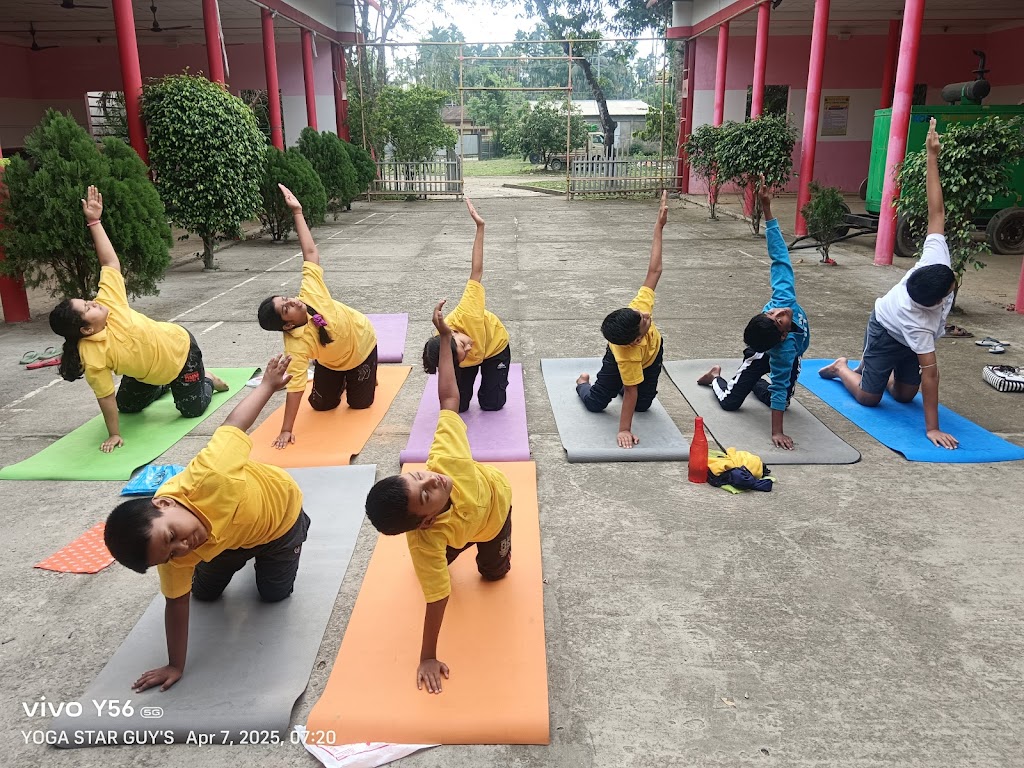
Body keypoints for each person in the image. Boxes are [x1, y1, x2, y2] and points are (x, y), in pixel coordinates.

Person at [103, 353, 310, 692]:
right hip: (228, 542)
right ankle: (234, 557)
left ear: (164, 502)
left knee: (274, 596)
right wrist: (175, 665)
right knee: (202, 594)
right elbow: (176, 602)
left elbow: (233, 424)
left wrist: (270, 385)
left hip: (280, 523)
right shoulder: (173, 553)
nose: (183, 547)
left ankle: (287, 546)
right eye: (170, 554)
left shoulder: (210, 474)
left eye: (172, 535)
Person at [365, 300, 513, 694]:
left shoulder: (445, 457)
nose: (435, 481)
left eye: (420, 477)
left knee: (494, 575)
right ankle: (454, 549)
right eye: (426, 495)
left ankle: (479, 551)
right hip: (453, 534)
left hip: (496, 512)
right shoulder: (425, 539)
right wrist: (427, 655)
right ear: (425, 521)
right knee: (433, 574)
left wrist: (446, 338)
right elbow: (437, 600)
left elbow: (448, 398)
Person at [48, 185, 228, 453]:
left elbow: (109, 263)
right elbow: (106, 395)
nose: (94, 301)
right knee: (127, 407)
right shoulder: (91, 355)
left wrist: (94, 221)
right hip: (147, 374)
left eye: (87, 300)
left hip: (180, 352)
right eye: (88, 307)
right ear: (86, 329)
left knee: (190, 410)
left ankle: (206, 380)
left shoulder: (110, 303)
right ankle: (164, 382)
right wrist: (114, 434)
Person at [818, 118, 959, 450]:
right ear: (937, 302)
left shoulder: (934, 260)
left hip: (908, 342)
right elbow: (932, 375)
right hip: (885, 329)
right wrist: (932, 429)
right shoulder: (919, 322)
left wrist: (931, 156)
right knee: (870, 397)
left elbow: (936, 212)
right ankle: (843, 368)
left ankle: (877, 370)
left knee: (905, 395)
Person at [257, 184, 378, 450]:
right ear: (288, 324)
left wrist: (297, 212)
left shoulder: (309, 291)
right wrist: (286, 429)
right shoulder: (295, 346)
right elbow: (296, 386)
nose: (290, 300)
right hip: (332, 363)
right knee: (321, 406)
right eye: (286, 308)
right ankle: (344, 380)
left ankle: (367, 376)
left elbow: (310, 253)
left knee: (360, 405)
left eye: (284, 298)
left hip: (362, 347)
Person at [696, 177, 810, 450]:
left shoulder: (784, 299)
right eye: (777, 317)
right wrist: (776, 433)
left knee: (778, 399)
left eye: (775, 314)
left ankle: (753, 383)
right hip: (762, 351)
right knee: (730, 403)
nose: (779, 312)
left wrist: (767, 208)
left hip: (788, 355)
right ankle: (715, 377)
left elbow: (779, 255)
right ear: (782, 335)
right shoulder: (777, 345)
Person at [575, 191, 668, 449]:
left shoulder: (639, 309)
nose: (647, 315)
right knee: (596, 405)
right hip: (624, 362)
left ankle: (619, 383)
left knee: (644, 407)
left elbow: (655, 270)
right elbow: (630, 390)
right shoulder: (625, 355)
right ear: (636, 338)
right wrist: (624, 430)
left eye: (641, 315)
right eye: (643, 321)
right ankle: (582, 383)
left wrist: (658, 226)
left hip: (652, 355)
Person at [422, 199, 511, 413]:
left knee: (492, 405)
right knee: (457, 407)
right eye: (464, 351)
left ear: (452, 334)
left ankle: (492, 386)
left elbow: (476, 271)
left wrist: (480, 227)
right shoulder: (448, 350)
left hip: (494, 347)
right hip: (457, 360)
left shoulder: (467, 313)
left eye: (463, 344)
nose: (469, 347)